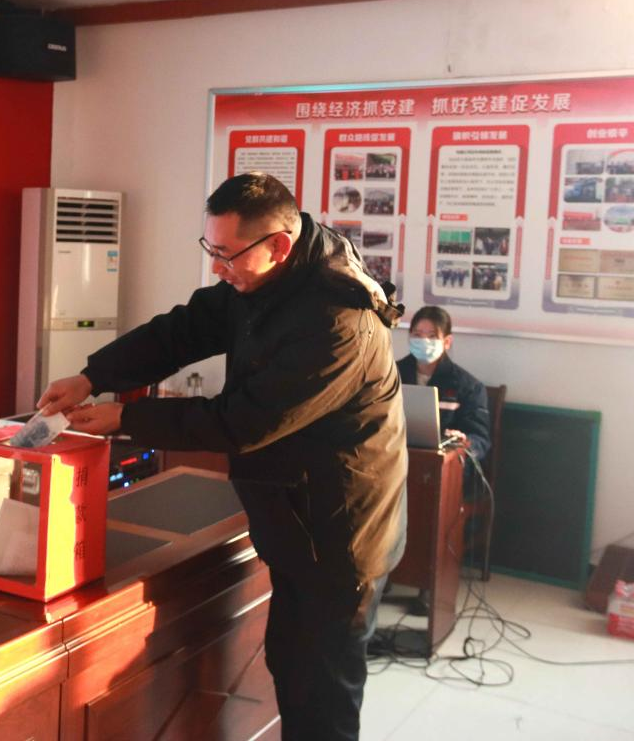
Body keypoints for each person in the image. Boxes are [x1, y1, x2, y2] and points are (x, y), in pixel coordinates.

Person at [38, 171, 408, 741]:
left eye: (226, 255)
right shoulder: (265, 277)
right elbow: (181, 332)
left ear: (278, 245)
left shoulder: (337, 320)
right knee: (291, 665)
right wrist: (93, 377)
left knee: (322, 693)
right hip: (297, 516)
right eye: (210, 250)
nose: (217, 268)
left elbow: (244, 421)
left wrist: (127, 419)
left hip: (339, 532)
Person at [397, 305, 491, 474]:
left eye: (432, 336)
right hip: (396, 461)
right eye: (417, 334)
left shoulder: (469, 387)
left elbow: (480, 441)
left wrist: (463, 442)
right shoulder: (391, 375)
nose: (424, 341)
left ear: (447, 342)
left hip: (443, 471)